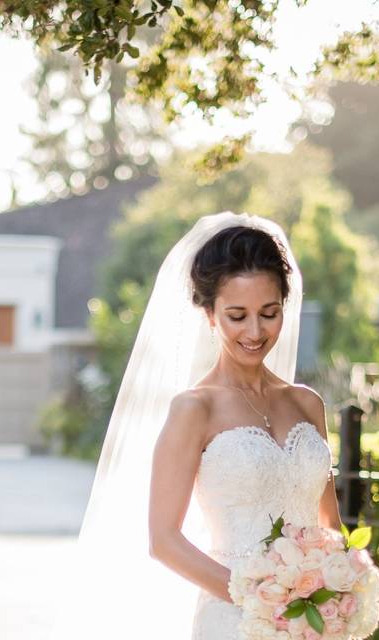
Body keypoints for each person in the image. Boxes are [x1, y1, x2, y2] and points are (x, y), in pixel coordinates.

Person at [49, 211, 343, 640]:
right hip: (234, 620)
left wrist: (336, 585)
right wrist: (263, 600)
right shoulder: (194, 409)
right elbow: (164, 540)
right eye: (237, 315)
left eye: (269, 312)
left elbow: (329, 524)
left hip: (312, 622)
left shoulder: (306, 403)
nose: (256, 331)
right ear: (209, 314)